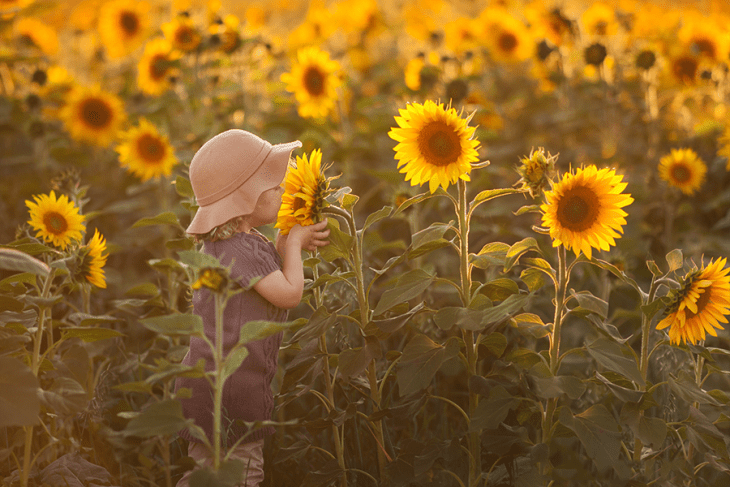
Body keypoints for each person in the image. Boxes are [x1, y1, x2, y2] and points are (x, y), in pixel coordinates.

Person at [174, 129, 330, 487]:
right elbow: (288, 293)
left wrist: (281, 242)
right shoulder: (239, 250)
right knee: (241, 474)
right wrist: (294, 246)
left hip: (210, 386)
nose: (283, 190)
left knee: (206, 473)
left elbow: (262, 277)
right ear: (245, 198)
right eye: (273, 185)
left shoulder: (229, 244)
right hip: (231, 394)